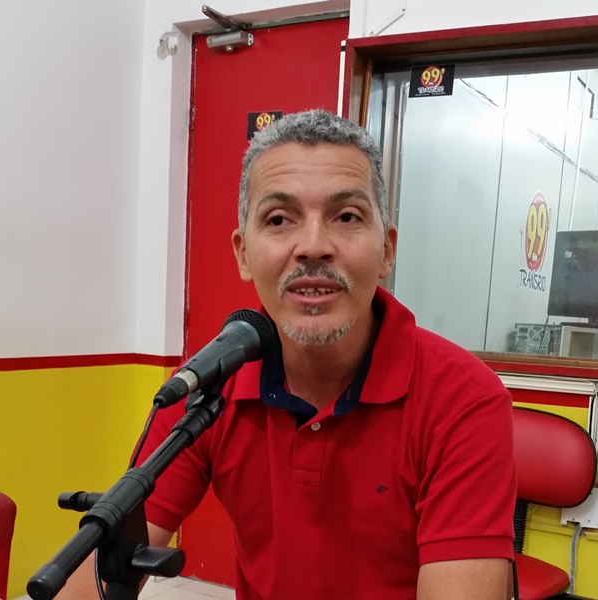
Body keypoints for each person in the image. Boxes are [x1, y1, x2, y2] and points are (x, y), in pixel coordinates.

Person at [57, 109, 516, 599]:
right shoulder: (206, 386)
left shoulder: (464, 398)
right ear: (242, 253)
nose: (313, 246)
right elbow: (102, 571)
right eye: (279, 219)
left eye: (346, 216)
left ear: (386, 250)